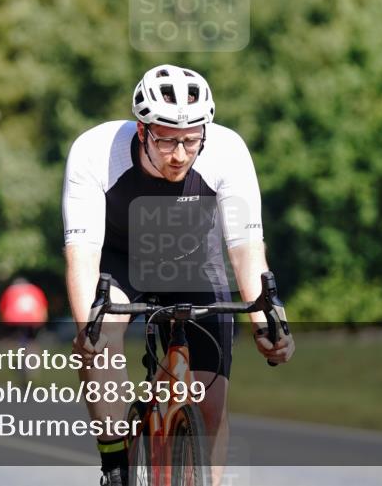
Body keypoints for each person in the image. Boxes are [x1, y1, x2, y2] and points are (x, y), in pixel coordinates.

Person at [63, 64, 294, 486]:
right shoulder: (95, 151)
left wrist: (267, 322)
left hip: (192, 261)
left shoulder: (228, 151)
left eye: (191, 140)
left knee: (211, 403)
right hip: (120, 259)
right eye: (167, 140)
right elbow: (82, 255)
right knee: (98, 343)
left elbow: (245, 250)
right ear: (141, 131)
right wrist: (88, 331)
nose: (180, 154)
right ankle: (115, 464)